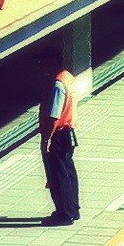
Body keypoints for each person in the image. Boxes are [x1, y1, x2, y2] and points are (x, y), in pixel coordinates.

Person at [39, 61, 80, 225]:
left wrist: (48, 137)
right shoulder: (68, 78)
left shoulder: (57, 84)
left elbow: (54, 115)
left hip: (58, 134)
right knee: (69, 172)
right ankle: (73, 209)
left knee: (58, 174)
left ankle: (64, 214)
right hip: (69, 131)